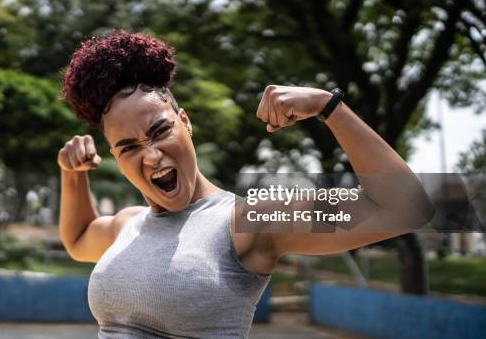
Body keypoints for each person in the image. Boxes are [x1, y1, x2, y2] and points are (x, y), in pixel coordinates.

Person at [58, 30, 431, 338]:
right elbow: (78, 239)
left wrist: (328, 107)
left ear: (185, 122)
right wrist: (72, 174)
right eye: (129, 147)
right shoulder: (129, 223)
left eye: (160, 131)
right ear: (115, 157)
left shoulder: (246, 221)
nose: (152, 156)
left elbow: (405, 208)